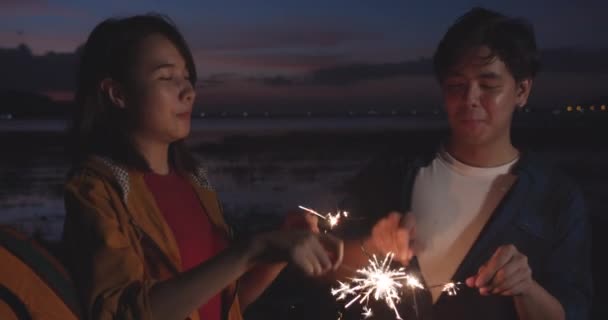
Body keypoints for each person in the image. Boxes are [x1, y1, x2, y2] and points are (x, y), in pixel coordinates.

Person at [61, 14, 345, 320]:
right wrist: (250, 250)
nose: (188, 91)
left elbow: (224, 305)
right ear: (117, 94)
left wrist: (275, 252)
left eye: (186, 77)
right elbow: (121, 313)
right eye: (167, 78)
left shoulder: (195, 183)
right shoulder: (97, 191)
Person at [337, 7, 592, 320]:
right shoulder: (394, 173)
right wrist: (372, 244)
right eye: (457, 85)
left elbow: (575, 311)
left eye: (488, 85)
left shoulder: (556, 198)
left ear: (522, 91)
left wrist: (525, 287)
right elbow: (332, 266)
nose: (470, 98)